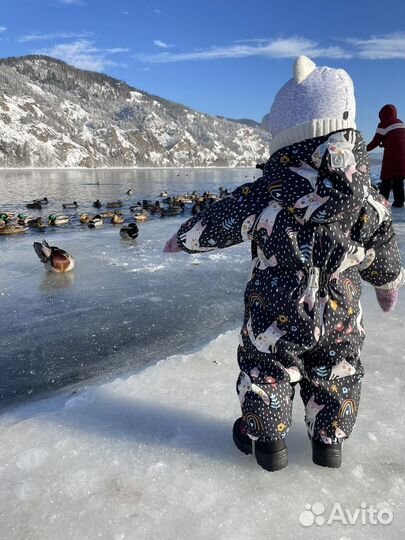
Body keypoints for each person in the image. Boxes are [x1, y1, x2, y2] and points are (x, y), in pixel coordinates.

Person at [163, 56, 404, 472]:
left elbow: (220, 219)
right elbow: (382, 245)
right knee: (338, 372)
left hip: (274, 312)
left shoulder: (264, 193)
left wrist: (184, 239)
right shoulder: (368, 202)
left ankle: (268, 442)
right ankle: (329, 442)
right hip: (340, 316)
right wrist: (387, 283)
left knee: (267, 371)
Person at [366, 104, 405, 207]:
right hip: (403, 156)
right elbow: (397, 139)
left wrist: (362, 149)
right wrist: (386, 144)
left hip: (392, 156)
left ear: (382, 115)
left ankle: (382, 201)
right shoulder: (401, 122)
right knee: (398, 179)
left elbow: (375, 142)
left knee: (386, 178)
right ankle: (399, 202)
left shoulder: (383, 124)